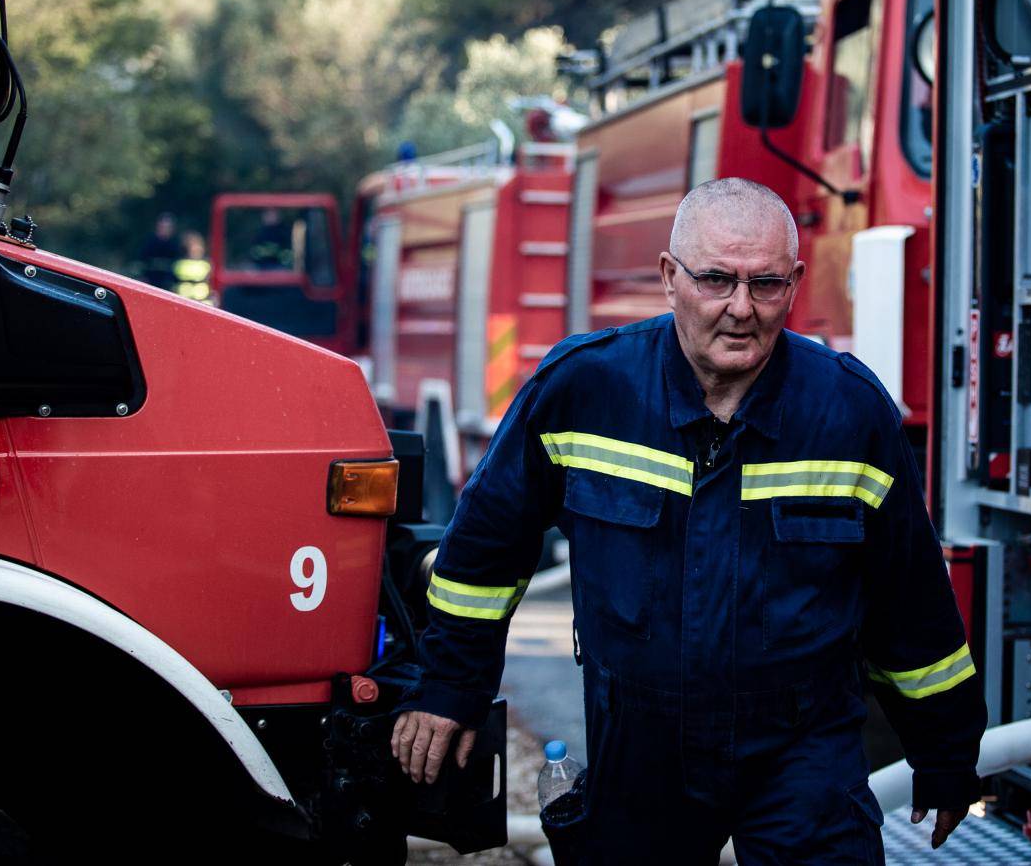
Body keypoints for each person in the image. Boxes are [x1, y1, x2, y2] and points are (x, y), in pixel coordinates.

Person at [392, 178, 985, 864]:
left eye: (765, 284)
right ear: (669, 277)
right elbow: (483, 557)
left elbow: (911, 605)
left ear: (794, 284)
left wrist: (945, 753)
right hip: (640, 749)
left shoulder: (849, 414)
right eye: (716, 280)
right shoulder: (585, 390)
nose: (741, 309)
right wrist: (448, 687)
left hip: (803, 749)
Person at [137, 213, 181, 287]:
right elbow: (142, 262)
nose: (165, 229)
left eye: (168, 227)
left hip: (168, 284)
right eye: (163, 227)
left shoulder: (175, 245)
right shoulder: (150, 242)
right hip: (151, 282)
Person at [172, 231, 212, 304]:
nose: (196, 249)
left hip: (204, 304)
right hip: (183, 303)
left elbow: (212, 285)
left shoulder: (207, 264)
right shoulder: (180, 264)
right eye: (192, 246)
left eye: (197, 245)